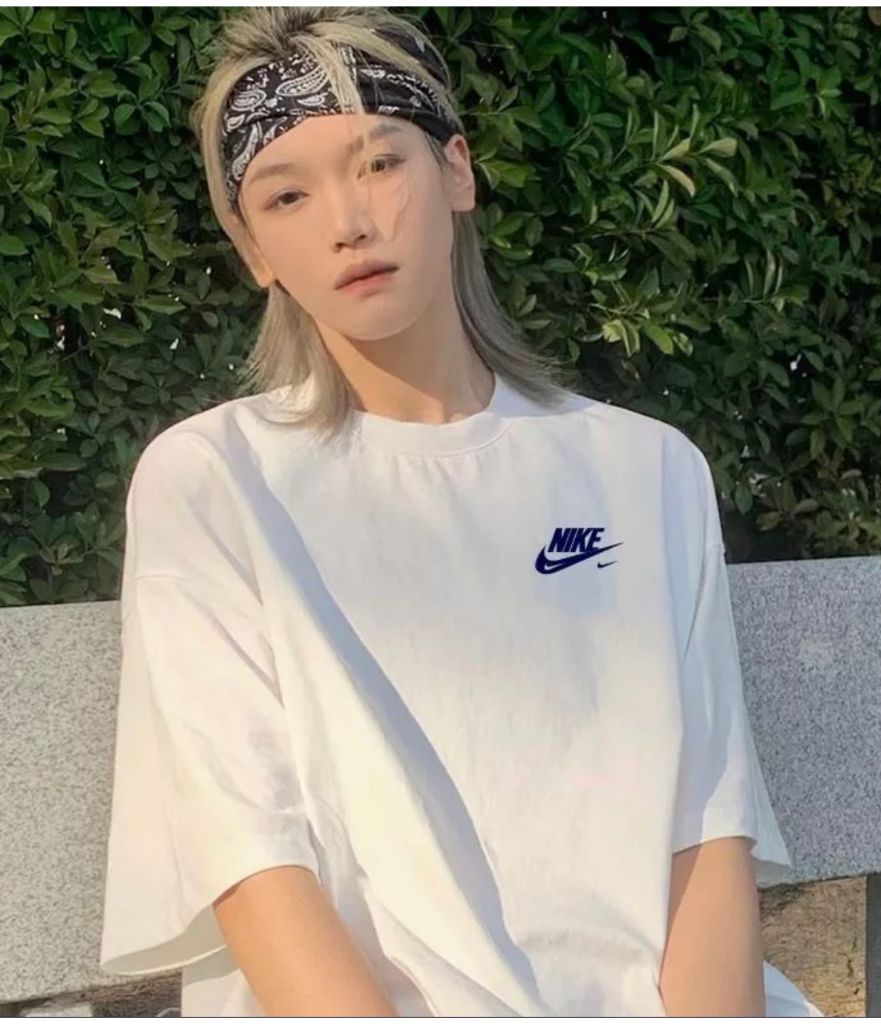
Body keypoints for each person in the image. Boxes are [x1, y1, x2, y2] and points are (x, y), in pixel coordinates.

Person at [98, 6, 824, 1018]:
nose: (347, 222)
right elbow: (250, 858)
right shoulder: (215, 481)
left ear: (456, 171)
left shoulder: (646, 470)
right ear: (253, 248)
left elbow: (705, 829)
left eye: (378, 164)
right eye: (287, 195)